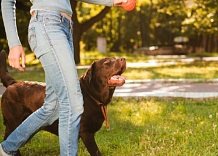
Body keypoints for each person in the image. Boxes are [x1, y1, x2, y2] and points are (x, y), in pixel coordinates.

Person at [0, 0, 127, 155]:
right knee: (73, 102)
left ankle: (6, 148)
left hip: (65, 26)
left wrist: (113, 1)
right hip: (47, 23)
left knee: (52, 106)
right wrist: (13, 43)